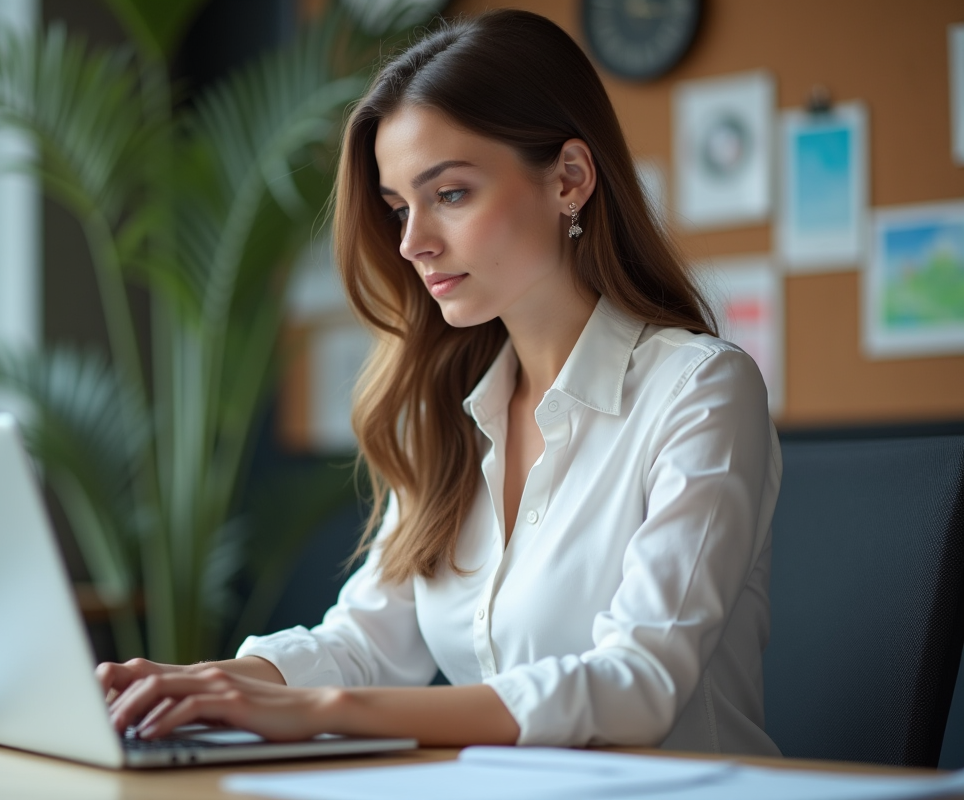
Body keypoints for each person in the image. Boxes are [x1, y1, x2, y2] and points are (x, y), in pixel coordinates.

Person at [97, 8, 782, 756]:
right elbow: (365, 640)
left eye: (449, 193)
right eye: (398, 208)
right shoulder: (450, 415)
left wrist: (323, 709)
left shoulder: (701, 391)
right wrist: (205, 683)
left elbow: (636, 686)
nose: (413, 243)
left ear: (570, 180)